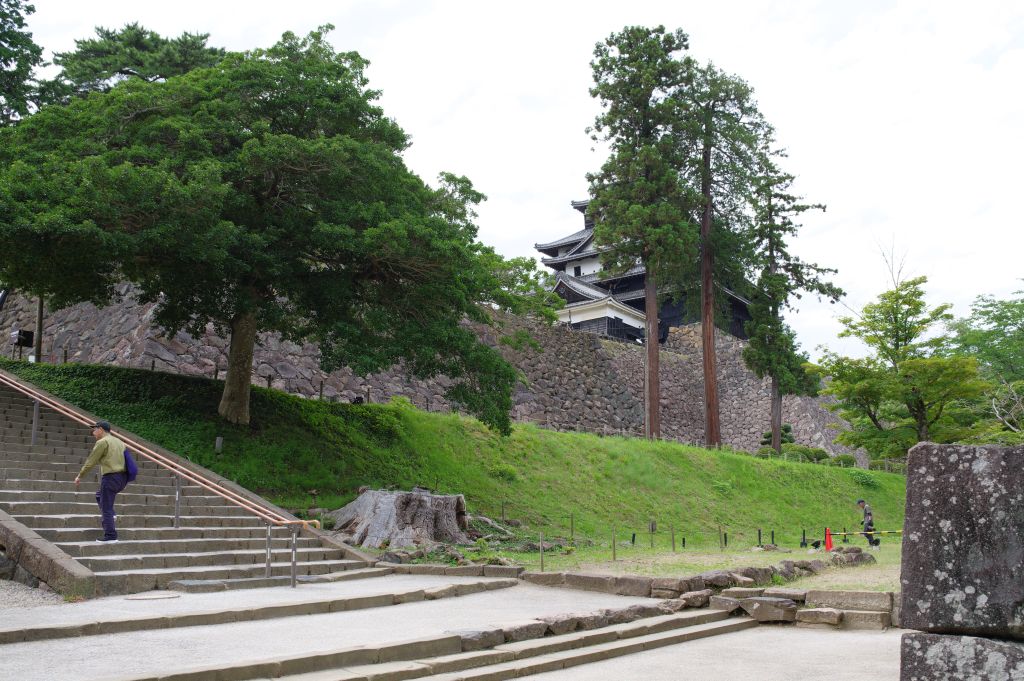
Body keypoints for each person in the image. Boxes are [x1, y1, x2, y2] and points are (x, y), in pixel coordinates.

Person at [74, 421, 128, 543]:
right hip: (122, 478)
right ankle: (112, 515)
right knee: (100, 496)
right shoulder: (119, 442)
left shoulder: (102, 442)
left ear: (101, 429)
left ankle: (111, 535)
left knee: (106, 508)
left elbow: (91, 461)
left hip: (110, 477)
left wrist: (80, 476)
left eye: (95, 429)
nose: (93, 432)